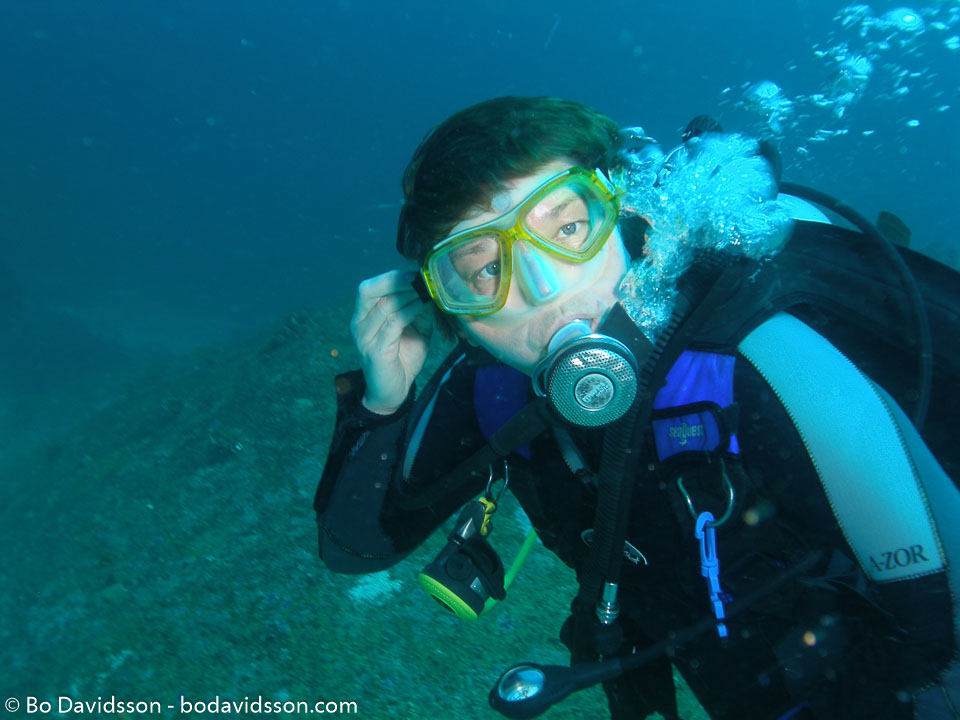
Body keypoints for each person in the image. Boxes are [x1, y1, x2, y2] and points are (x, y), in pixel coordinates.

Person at [313, 96, 960, 719]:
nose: (544, 289)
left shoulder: (756, 357)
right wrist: (383, 403)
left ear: (624, 215)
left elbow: (937, 614)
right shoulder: (489, 388)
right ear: (450, 308)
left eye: (569, 228)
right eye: (484, 270)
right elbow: (356, 548)